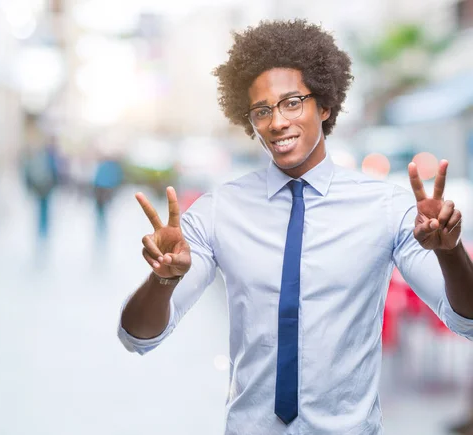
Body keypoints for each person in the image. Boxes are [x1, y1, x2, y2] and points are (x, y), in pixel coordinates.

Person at [117, 19, 473, 434]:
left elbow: (467, 320)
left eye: (291, 103)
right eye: (262, 110)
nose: (277, 122)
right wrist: (162, 279)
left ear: (323, 106)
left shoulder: (386, 206)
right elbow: (137, 337)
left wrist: (449, 251)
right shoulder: (219, 211)